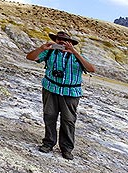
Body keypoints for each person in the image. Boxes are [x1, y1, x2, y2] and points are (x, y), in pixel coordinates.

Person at [26, 31, 95, 160]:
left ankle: (67, 149)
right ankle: (48, 143)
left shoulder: (77, 56)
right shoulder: (50, 52)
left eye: (65, 41)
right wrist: (42, 48)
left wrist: (74, 52)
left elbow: (91, 69)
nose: (61, 42)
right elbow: (29, 57)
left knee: (68, 121)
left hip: (70, 93)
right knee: (49, 116)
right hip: (51, 89)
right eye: (59, 40)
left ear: (71, 43)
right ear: (55, 41)